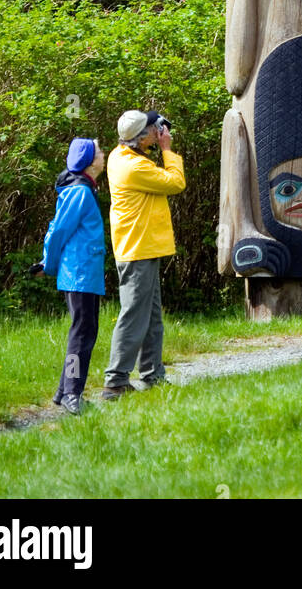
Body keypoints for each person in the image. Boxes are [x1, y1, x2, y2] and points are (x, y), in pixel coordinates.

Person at [101, 109, 185, 399]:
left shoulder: (120, 155)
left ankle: (152, 374)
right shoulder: (135, 167)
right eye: (153, 128)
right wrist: (166, 149)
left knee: (151, 317)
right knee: (134, 315)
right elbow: (176, 183)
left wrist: (153, 144)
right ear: (141, 136)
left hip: (143, 247)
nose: (158, 131)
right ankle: (115, 381)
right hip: (137, 250)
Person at [39, 137, 107, 416]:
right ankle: (71, 393)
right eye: (100, 151)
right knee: (82, 333)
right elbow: (58, 231)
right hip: (78, 274)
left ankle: (63, 390)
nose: (104, 155)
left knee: (85, 331)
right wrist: (48, 263)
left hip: (85, 274)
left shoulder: (84, 190)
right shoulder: (79, 193)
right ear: (91, 161)